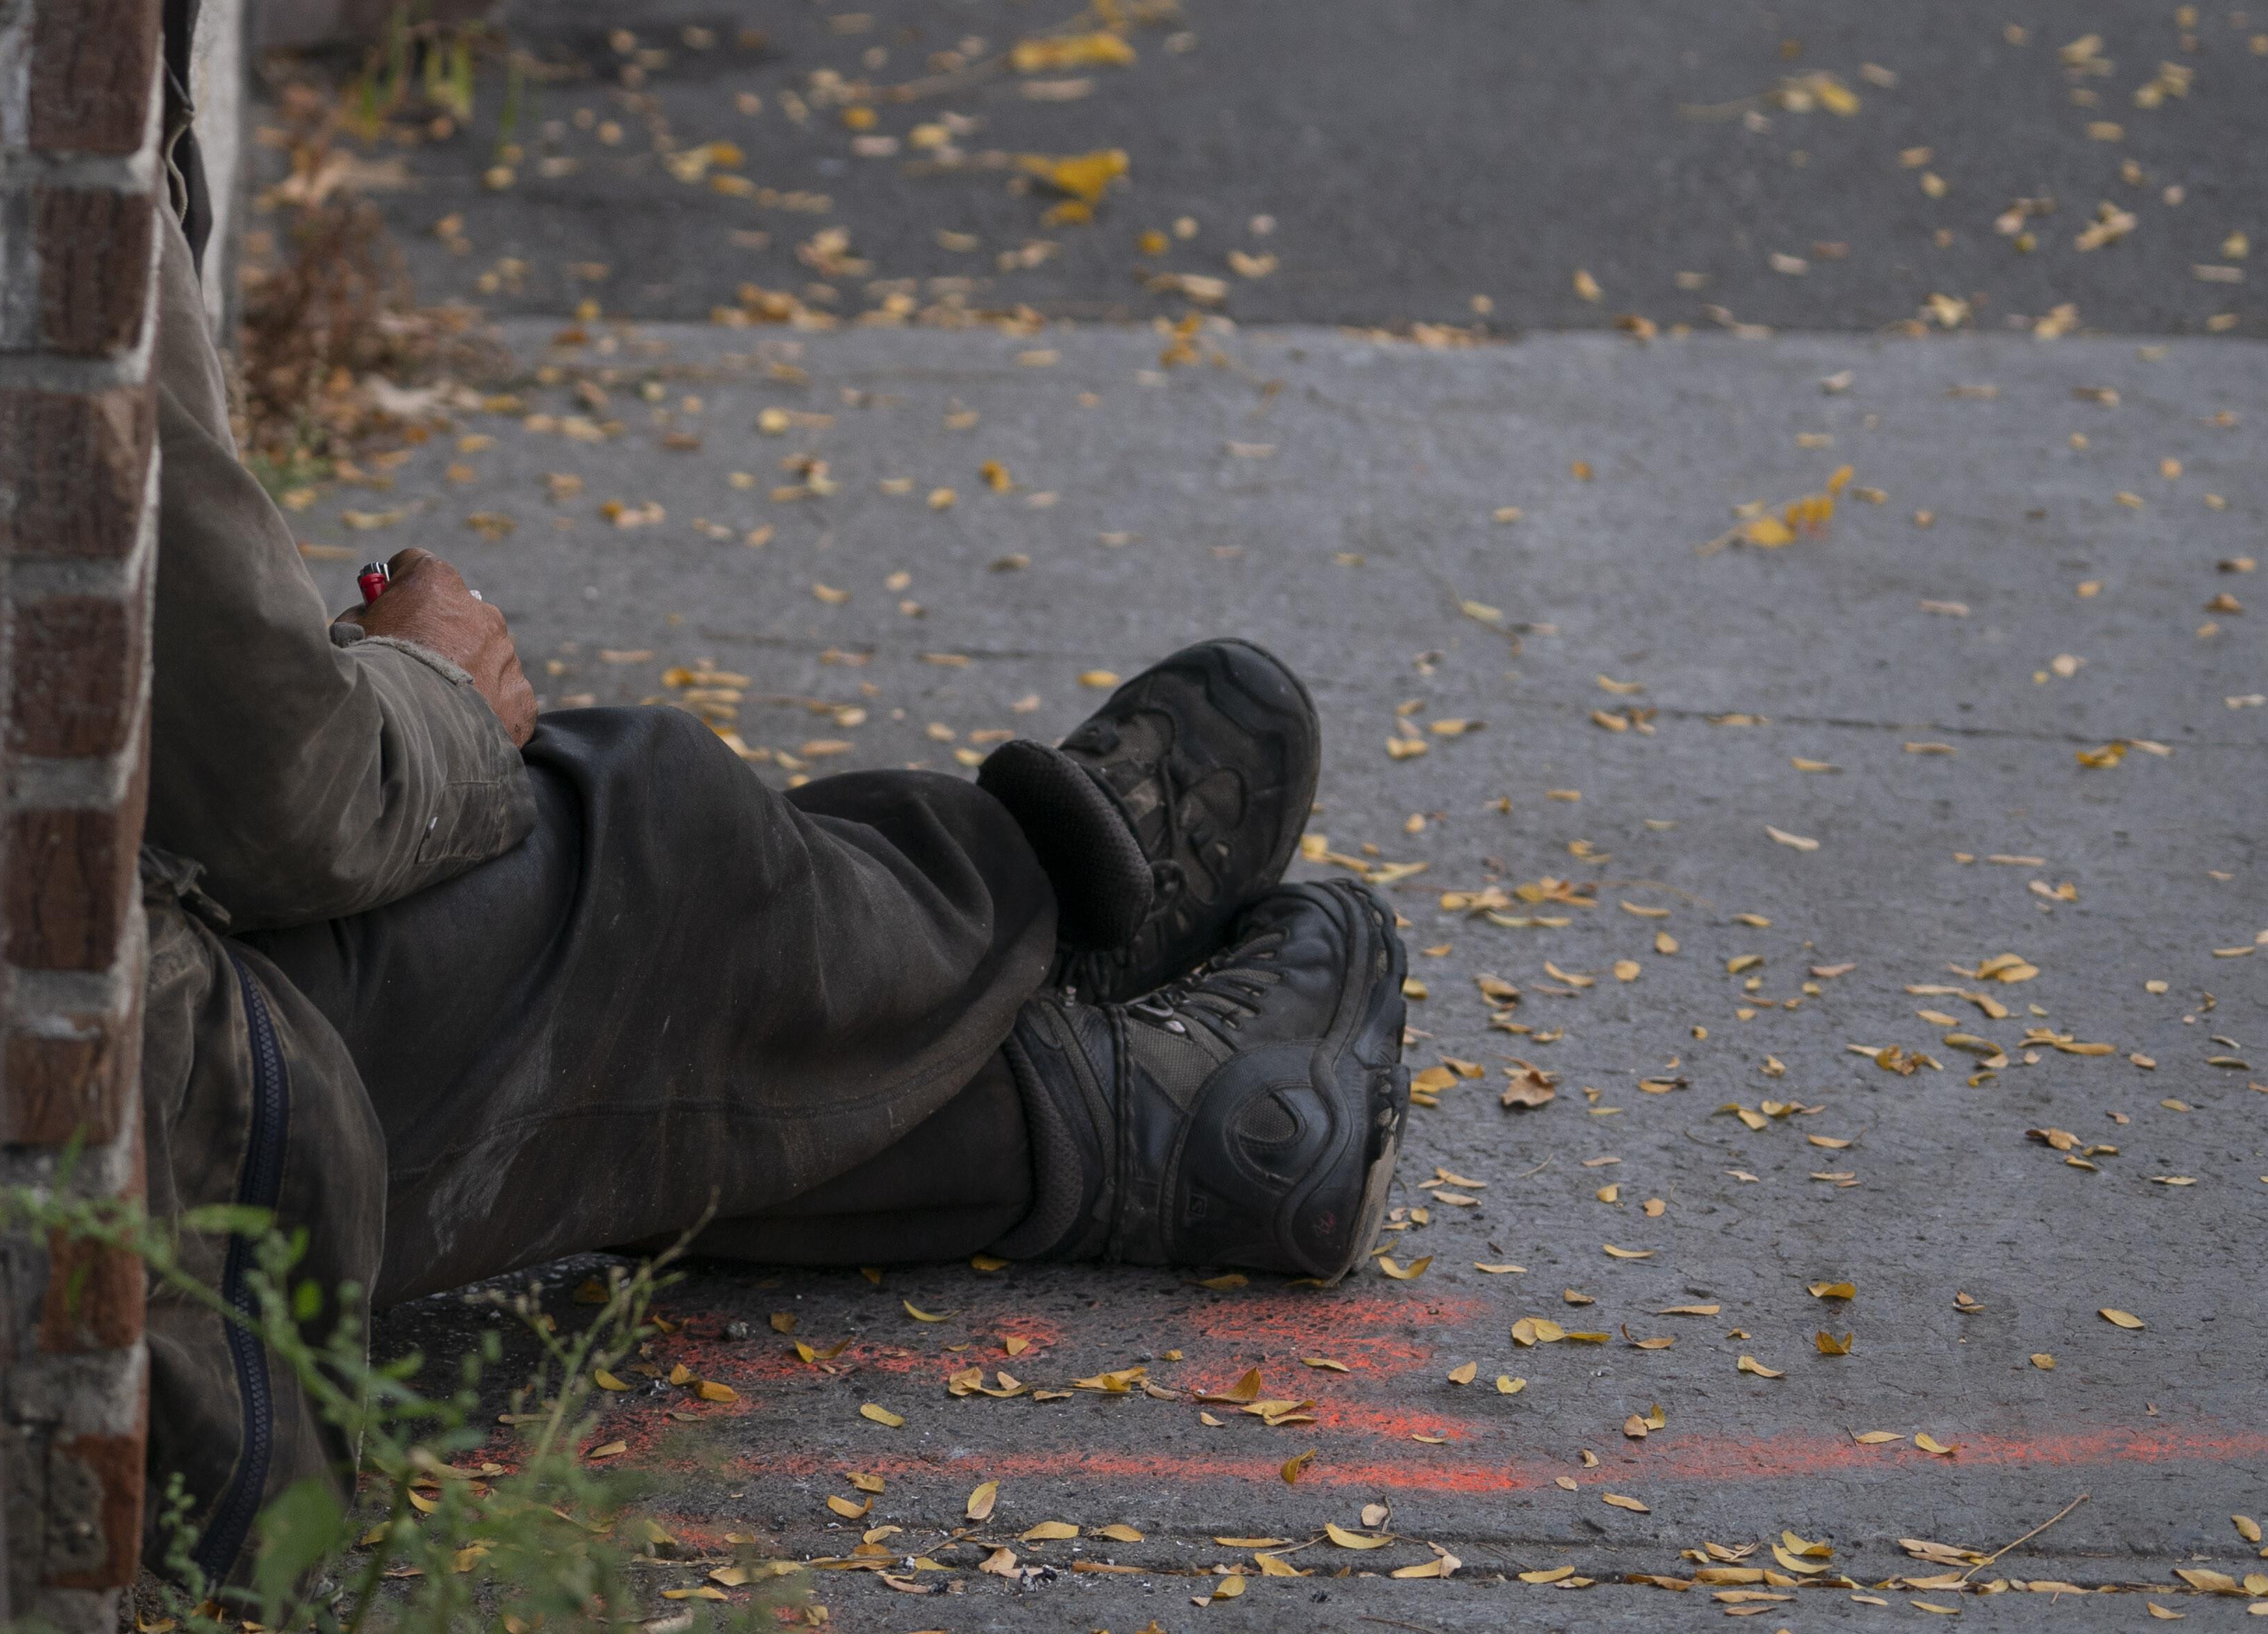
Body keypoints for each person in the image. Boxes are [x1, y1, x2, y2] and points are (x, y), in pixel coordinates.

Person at [129, 25, 1410, 1588]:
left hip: (56, 1087)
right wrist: (441, 691)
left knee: (567, 921)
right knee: (633, 843)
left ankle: (1135, 1111)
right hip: (129, 1129)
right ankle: (1048, 903)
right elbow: (280, 794)